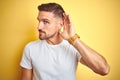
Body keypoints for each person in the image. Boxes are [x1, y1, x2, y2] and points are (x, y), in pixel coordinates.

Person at [20, 2, 110, 80]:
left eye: (45, 22)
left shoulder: (73, 47)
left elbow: (104, 69)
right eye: (39, 21)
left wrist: (73, 38)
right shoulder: (30, 48)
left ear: (61, 24)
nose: (39, 27)